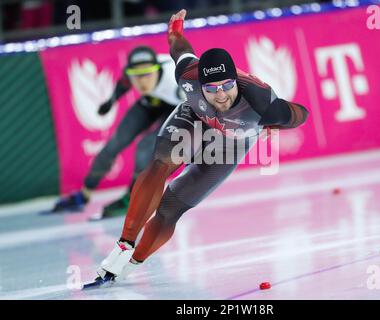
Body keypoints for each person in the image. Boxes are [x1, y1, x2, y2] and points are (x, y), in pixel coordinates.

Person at [87, 9, 309, 285]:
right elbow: (180, 49)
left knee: (171, 207)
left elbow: (301, 115)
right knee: (161, 163)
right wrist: (175, 33)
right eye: (212, 88)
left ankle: (133, 263)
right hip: (194, 118)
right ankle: (124, 244)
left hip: (232, 142)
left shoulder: (262, 103)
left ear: (236, 82)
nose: (220, 95)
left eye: (227, 86)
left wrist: (272, 123)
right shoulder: (188, 76)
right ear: (199, 84)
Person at [53, 46, 185, 219]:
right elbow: (124, 81)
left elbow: (199, 109)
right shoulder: (134, 76)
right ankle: (83, 196)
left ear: (158, 70)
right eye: (136, 76)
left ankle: (133, 198)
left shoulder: (176, 80)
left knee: (146, 147)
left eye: (147, 74)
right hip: (151, 103)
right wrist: (111, 101)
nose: (142, 82)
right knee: (113, 145)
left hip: (179, 109)